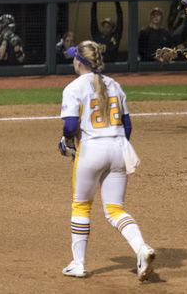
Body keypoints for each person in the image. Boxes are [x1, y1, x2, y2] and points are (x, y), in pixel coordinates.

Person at [58, 40, 155, 280]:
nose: (72, 60)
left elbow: (70, 125)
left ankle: (79, 263)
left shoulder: (73, 87)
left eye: (74, 57)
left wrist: (65, 140)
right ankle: (141, 249)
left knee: (81, 205)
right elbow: (128, 125)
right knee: (114, 209)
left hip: (92, 150)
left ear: (79, 62)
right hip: (119, 149)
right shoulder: (115, 85)